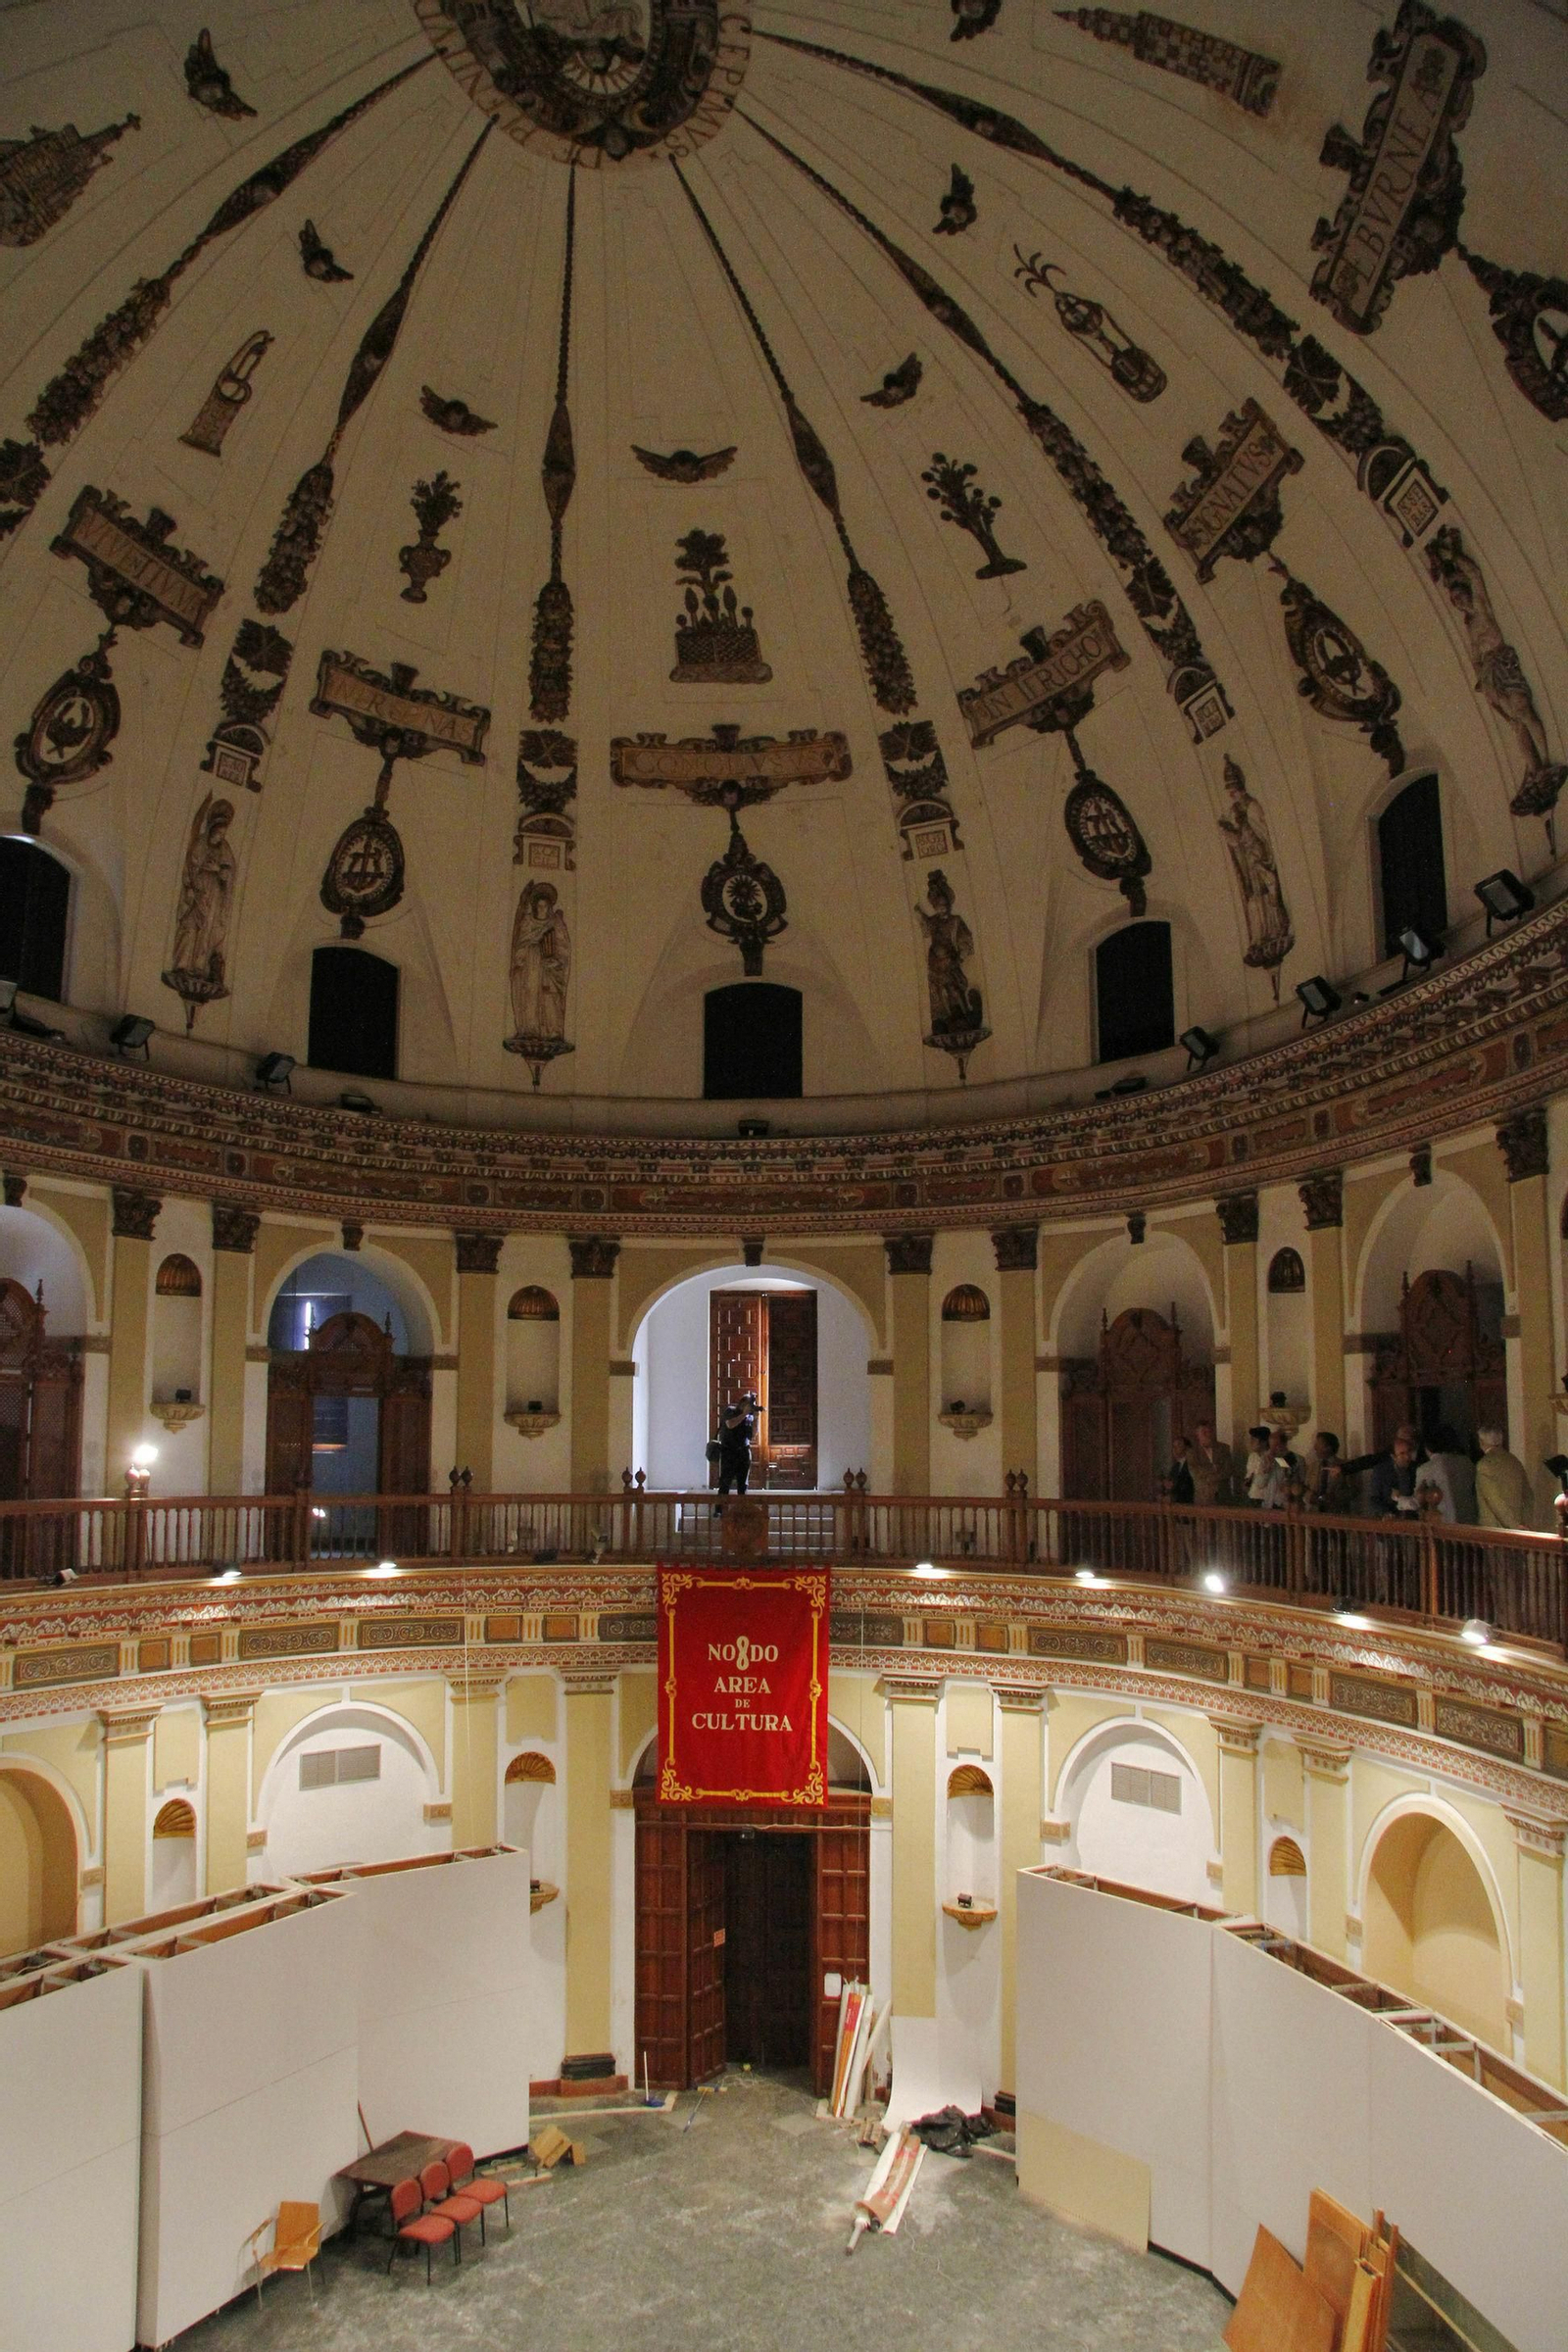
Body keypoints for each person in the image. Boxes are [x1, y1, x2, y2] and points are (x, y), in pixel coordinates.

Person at [1475, 1427, 1534, 1529]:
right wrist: (1524, 1522)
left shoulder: (1484, 1465)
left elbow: (1493, 1499)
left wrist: (1514, 1526)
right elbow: (1529, 1495)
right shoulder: (1514, 1461)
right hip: (1520, 1525)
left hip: (1494, 1529)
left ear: (1482, 1442)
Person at [1421, 1424, 1476, 1525]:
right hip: (1470, 1521)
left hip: (1444, 1524)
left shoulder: (1427, 1468)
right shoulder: (1467, 1462)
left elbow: (1418, 1498)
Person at [715, 1393, 758, 1496]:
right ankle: (720, 1511)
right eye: (749, 1405)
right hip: (729, 1451)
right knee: (725, 1483)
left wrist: (756, 1419)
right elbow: (730, 1424)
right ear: (742, 1404)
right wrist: (743, 1414)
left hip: (743, 1451)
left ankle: (741, 1510)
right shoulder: (731, 1411)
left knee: (743, 1484)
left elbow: (753, 1435)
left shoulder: (750, 1416)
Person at [1189, 1419, 1235, 1506]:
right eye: (1203, 1432)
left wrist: (1212, 1475)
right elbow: (1195, 1472)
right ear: (1197, 1434)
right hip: (1203, 1498)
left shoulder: (1223, 1448)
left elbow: (1229, 1470)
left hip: (1223, 1497)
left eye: (1209, 1431)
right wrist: (1213, 1469)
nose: (1207, 1434)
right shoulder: (1192, 1452)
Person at [1162, 1436, 1195, 1505]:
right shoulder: (1175, 1467)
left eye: (1179, 1445)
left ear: (1186, 1448)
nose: (1175, 1449)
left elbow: (1189, 1485)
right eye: (1174, 1446)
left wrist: (1174, 1485)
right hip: (1176, 1504)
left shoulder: (1192, 1464)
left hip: (1189, 1503)